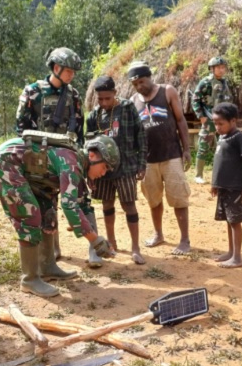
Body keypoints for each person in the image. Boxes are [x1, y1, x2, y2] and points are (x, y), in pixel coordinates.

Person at [0, 133, 116, 297]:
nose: (104, 173)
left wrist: (95, 240)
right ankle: (30, 279)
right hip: (6, 163)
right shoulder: (72, 163)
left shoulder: (78, 163)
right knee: (30, 216)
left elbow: (80, 204)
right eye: (105, 167)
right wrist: (96, 241)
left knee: (48, 213)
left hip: (30, 172)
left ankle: (47, 267)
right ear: (92, 156)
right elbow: (69, 205)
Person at [16, 47, 85, 262]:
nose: (71, 76)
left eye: (74, 72)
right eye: (69, 71)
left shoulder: (73, 94)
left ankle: (53, 252)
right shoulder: (33, 91)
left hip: (64, 157)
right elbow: (21, 127)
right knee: (41, 203)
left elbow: (79, 128)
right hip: (38, 157)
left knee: (63, 199)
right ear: (56, 68)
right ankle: (43, 253)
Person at [128, 61, 193, 255]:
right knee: (153, 200)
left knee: (179, 198)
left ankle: (184, 240)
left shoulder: (168, 91)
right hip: (147, 160)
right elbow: (133, 132)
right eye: (136, 84)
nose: (140, 86)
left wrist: (186, 149)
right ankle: (158, 234)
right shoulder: (133, 101)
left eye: (142, 81)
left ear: (149, 77)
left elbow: (181, 121)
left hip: (171, 155)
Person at [86, 76, 147, 265]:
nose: (104, 102)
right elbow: (88, 146)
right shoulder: (94, 116)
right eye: (100, 99)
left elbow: (141, 135)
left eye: (107, 98)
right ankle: (112, 242)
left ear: (115, 93)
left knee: (129, 205)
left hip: (127, 166)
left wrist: (142, 163)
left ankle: (135, 248)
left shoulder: (127, 109)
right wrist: (89, 172)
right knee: (106, 204)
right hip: (103, 171)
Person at [210, 103, 242, 268]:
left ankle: (237, 257)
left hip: (236, 187)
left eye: (221, 123)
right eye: (215, 123)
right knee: (228, 220)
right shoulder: (222, 137)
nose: (217, 127)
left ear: (233, 121)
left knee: (235, 221)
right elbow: (219, 162)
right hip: (224, 187)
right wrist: (215, 184)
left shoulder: (239, 137)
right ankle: (230, 252)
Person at [191, 56, 233, 184]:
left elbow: (229, 99)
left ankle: (223, 174)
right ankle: (198, 175)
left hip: (223, 120)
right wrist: (201, 116)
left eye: (223, 67)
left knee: (224, 147)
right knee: (204, 145)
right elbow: (195, 99)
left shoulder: (225, 83)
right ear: (212, 69)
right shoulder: (206, 82)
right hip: (209, 119)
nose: (222, 70)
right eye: (219, 68)